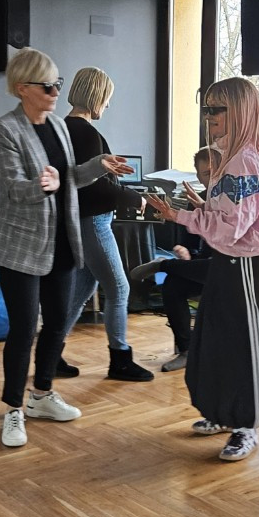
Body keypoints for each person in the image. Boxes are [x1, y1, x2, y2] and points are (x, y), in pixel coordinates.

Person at [0, 48, 133, 448]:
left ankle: (42, 395)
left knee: (56, 323)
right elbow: (13, 187)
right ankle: (13, 409)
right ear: (22, 88)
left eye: (58, 84)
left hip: (62, 242)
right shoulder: (5, 129)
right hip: (21, 246)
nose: (55, 92)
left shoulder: (57, 125)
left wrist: (99, 165)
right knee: (24, 330)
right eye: (47, 86)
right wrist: (43, 185)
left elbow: (70, 178)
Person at [146, 78, 259, 462]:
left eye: (216, 109)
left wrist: (179, 215)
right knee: (218, 341)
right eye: (206, 108)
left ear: (239, 112)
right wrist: (202, 208)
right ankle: (226, 413)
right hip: (231, 263)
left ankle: (247, 424)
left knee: (246, 347)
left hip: (250, 267)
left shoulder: (243, 161)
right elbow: (231, 219)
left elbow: (230, 230)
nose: (208, 117)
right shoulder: (231, 158)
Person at [58, 67, 154, 382]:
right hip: (94, 223)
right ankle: (120, 361)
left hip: (82, 221)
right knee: (119, 288)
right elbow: (92, 187)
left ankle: (51, 354)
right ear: (96, 95)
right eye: (107, 98)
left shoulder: (64, 128)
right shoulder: (85, 133)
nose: (108, 105)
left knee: (82, 289)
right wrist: (132, 197)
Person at [131, 146, 215, 372]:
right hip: (204, 267)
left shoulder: (229, 198)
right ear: (198, 176)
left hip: (232, 268)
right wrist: (185, 252)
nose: (211, 178)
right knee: (172, 285)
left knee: (210, 267)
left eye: (215, 172)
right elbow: (190, 244)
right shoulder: (196, 199)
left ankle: (163, 265)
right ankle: (186, 349)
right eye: (206, 174)